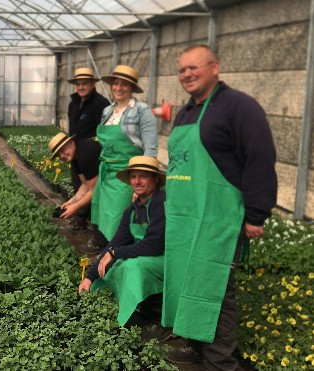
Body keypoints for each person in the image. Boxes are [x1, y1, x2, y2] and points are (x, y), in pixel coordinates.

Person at [162, 45, 277, 369]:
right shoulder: (186, 112)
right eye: (182, 69)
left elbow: (259, 160)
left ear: (215, 67)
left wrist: (256, 214)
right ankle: (195, 344)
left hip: (218, 218)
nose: (186, 74)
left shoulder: (239, 107)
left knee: (214, 286)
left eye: (193, 67)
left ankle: (220, 361)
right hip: (185, 218)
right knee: (188, 280)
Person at [78, 156, 166, 329]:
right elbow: (115, 243)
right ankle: (127, 308)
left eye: (143, 176)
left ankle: (147, 313)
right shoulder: (133, 210)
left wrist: (115, 254)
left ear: (155, 179)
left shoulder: (161, 203)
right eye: (133, 176)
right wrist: (90, 276)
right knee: (112, 270)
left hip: (165, 258)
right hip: (144, 255)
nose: (137, 181)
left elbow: (154, 245)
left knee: (132, 267)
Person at [91, 65, 158, 244]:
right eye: (116, 83)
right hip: (107, 174)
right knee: (105, 217)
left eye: (124, 85)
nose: (119, 88)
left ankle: (118, 257)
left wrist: (142, 182)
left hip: (126, 175)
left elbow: (150, 150)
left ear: (132, 88)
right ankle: (108, 254)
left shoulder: (142, 111)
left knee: (121, 219)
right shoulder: (107, 111)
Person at [66, 67, 109, 233]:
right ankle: (80, 220)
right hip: (75, 152)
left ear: (92, 84)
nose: (81, 87)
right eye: (78, 84)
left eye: (84, 83)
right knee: (78, 185)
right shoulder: (74, 103)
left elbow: (104, 131)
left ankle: (91, 221)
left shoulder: (101, 104)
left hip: (92, 154)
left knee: (93, 187)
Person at [47, 132, 101, 224]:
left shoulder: (85, 153)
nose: (62, 155)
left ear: (72, 142)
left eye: (63, 150)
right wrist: (71, 202)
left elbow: (94, 191)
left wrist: (75, 207)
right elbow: (85, 185)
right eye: (58, 154)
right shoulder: (75, 159)